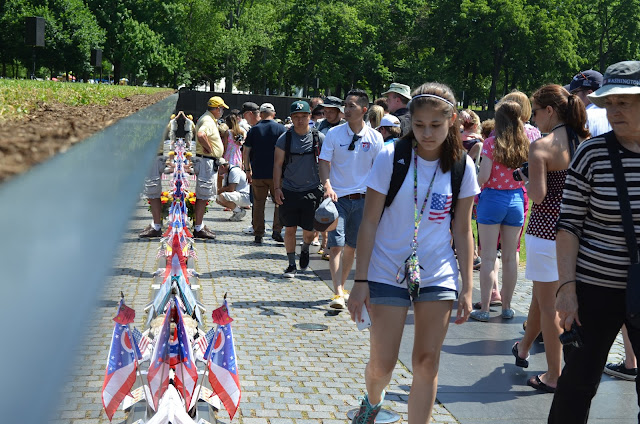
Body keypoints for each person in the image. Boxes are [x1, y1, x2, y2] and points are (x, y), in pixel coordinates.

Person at [347, 82, 478, 424]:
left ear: (452, 121)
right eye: (419, 125)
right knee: (382, 363)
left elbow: (463, 229)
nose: (427, 133)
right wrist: (360, 280)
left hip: (437, 272)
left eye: (436, 125)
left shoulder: (463, 166)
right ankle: (373, 401)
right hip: (386, 269)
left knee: (426, 361)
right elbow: (370, 222)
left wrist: (468, 287)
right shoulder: (392, 157)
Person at [549, 61, 640, 422]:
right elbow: (568, 224)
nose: (614, 110)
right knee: (578, 384)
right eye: (610, 102)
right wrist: (567, 288)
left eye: (625, 102)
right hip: (594, 288)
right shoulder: (592, 153)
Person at [510, 84, 589, 394]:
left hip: (545, 233)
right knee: (548, 300)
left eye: (537, 111)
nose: (534, 120)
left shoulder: (542, 146)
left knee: (549, 308)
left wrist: (527, 177)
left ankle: (555, 375)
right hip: (579, 232)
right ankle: (524, 348)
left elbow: (538, 196)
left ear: (550, 111)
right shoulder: (586, 141)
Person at [319, 89, 384, 309]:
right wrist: (327, 185)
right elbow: (324, 162)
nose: (345, 110)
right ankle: (337, 291)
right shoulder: (334, 134)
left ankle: (342, 285)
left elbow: (379, 170)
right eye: (345, 105)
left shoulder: (375, 138)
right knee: (335, 244)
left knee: (351, 246)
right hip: (338, 198)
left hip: (363, 200)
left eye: (351, 106)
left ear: (364, 110)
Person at [470, 100, 529, 321]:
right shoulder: (525, 142)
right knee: (510, 258)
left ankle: (485, 308)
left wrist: (474, 189)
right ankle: (507, 306)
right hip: (515, 200)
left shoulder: (491, 143)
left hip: (492, 199)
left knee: (487, 257)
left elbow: (484, 176)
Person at [273, 100, 325, 278]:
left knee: (309, 231)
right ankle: (291, 264)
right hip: (289, 190)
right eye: (296, 117)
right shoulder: (284, 139)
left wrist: (327, 186)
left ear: (310, 117)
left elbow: (327, 164)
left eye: (304, 116)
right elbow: (277, 165)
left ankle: (304, 248)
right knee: (290, 229)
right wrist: (277, 188)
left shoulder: (318, 138)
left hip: (312, 190)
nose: (300, 120)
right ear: (292, 118)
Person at [243, 103, 285, 244]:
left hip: (258, 173)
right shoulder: (281, 129)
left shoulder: (254, 130)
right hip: (277, 174)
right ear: (273, 113)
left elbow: (246, 151)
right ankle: (277, 230)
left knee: (258, 203)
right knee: (279, 203)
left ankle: (258, 232)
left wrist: (247, 169)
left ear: (260, 114)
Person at [193, 96, 228, 239]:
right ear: (217, 108)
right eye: (221, 109)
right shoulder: (207, 120)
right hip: (206, 161)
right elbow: (201, 134)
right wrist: (209, 148)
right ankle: (198, 227)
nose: (222, 112)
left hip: (208, 161)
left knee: (204, 195)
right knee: (203, 195)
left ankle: (199, 225)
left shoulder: (208, 119)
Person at [568, 69, 612, 137]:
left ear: (589, 94)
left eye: (574, 93)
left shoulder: (581, 118)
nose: (571, 98)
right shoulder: (616, 115)